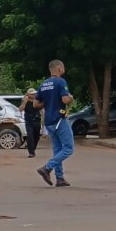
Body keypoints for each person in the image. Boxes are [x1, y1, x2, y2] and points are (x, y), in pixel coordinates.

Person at [32, 59, 74, 187]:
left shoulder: (43, 84)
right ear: (59, 68)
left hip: (48, 121)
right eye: (63, 67)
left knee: (57, 149)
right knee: (68, 148)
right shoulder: (60, 82)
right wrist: (71, 97)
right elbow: (65, 100)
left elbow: (35, 104)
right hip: (59, 119)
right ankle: (47, 168)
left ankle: (60, 178)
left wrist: (48, 101)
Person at [19, 88, 42, 158]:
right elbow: (20, 109)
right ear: (28, 94)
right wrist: (25, 102)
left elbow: (41, 108)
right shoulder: (25, 100)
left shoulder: (37, 100)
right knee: (30, 135)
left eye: (34, 93)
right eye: (32, 94)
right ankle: (31, 152)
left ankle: (33, 148)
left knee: (36, 136)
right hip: (29, 120)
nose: (34, 95)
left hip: (37, 119)